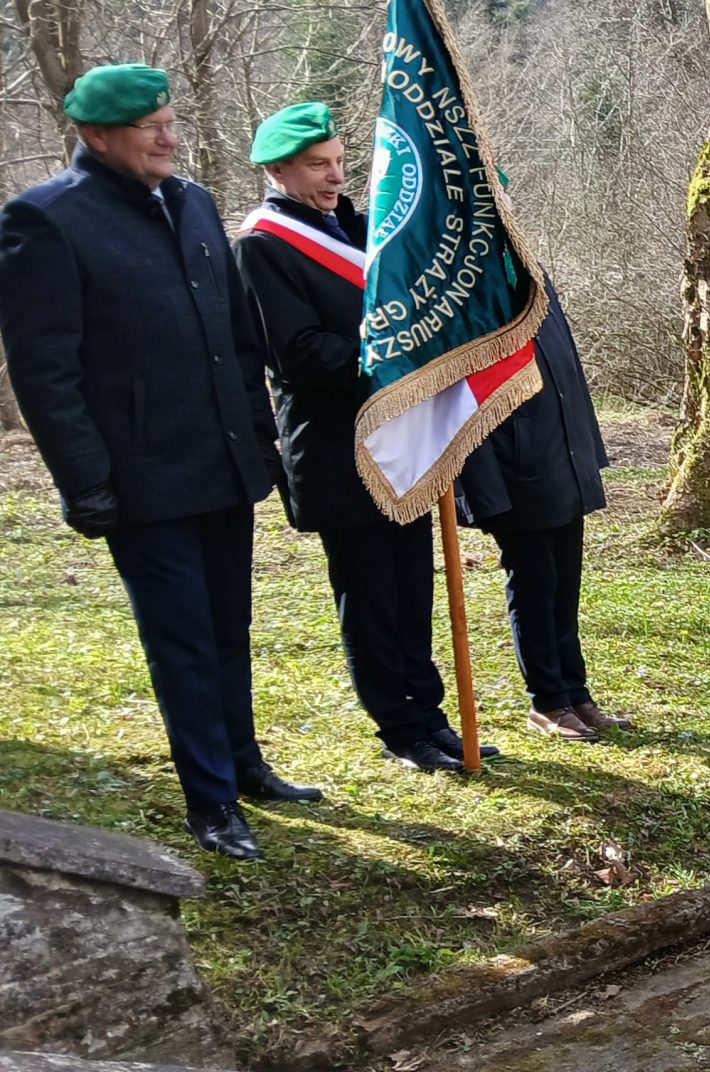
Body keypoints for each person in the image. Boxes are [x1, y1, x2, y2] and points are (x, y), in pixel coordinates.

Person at [0, 64, 322, 860]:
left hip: (223, 465)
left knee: (229, 628)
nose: (168, 138)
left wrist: (262, 443)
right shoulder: (45, 220)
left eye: (171, 122)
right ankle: (211, 802)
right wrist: (87, 484)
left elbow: (238, 341)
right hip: (142, 479)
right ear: (97, 135)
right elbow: (46, 375)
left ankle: (245, 766)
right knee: (182, 642)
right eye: (150, 128)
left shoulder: (194, 203)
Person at [235, 101, 481, 773]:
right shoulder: (261, 245)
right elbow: (298, 353)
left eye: (341, 161)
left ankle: (431, 717)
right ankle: (398, 727)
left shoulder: (367, 230)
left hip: (403, 435)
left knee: (412, 588)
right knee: (371, 596)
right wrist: (397, 357)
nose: (335, 176)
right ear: (279, 171)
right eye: (318, 165)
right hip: (336, 448)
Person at [452, 275, 628, 741]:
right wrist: (482, 489)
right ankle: (548, 701)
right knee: (535, 585)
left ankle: (576, 693)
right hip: (514, 469)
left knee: (564, 587)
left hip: (562, 457)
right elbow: (460, 397)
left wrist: (585, 453)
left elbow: (567, 372)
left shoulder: (532, 278)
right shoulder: (464, 288)